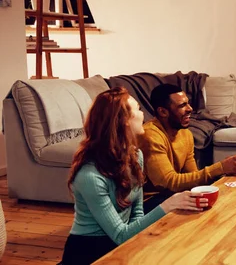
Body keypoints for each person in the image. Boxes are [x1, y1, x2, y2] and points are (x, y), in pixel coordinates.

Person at [60, 87, 204, 265]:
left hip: (120, 242)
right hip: (89, 250)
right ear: (124, 121)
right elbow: (120, 235)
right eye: (138, 109)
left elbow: (136, 213)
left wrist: (140, 244)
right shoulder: (90, 176)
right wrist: (168, 205)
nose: (143, 115)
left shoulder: (136, 156)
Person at [140, 84, 236, 213]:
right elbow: (169, 182)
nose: (190, 109)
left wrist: (227, 170)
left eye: (188, 103)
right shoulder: (150, 135)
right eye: (182, 105)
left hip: (174, 194)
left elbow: (193, 178)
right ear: (163, 112)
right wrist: (220, 167)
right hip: (151, 202)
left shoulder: (185, 133)